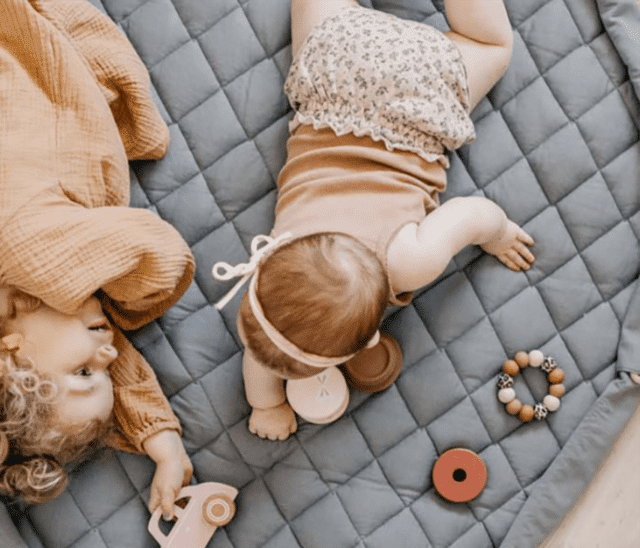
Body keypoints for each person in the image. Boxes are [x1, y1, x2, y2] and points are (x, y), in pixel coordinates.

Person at [0, 0, 195, 511]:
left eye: (84, 373)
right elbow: (78, 353)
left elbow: (164, 258)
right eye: (104, 372)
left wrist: (121, 312)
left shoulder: (26, 253)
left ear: (8, 357)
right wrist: (159, 440)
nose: (113, 354)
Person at [214, 0, 536, 440]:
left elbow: (471, 214)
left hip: (420, 97)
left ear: (367, 341)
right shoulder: (283, 248)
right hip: (335, 67)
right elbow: (264, 340)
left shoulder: (407, 262)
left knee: (491, 45)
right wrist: (266, 401)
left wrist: (498, 235)